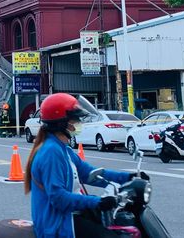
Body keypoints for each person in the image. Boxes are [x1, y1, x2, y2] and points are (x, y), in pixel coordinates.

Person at [24, 93, 148, 238]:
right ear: (61, 122)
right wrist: (97, 202)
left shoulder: (64, 150)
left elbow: (91, 174)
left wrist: (129, 177)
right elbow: (58, 198)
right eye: (75, 119)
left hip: (70, 216)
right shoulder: (51, 152)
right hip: (57, 225)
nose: (78, 123)